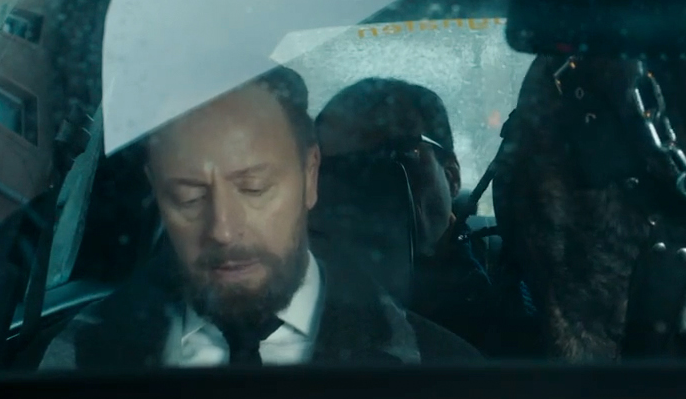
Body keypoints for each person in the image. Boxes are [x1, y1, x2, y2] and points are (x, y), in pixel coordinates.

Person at [43, 67, 478, 370]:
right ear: (155, 191)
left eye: (254, 188)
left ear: (311, 177)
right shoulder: (76, 357)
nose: (222, 229)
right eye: (187, 196)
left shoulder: (446, 373)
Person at [315, 77, 539, 356]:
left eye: (393, 156)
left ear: (451, 176)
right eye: (337, 170)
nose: (368, 184)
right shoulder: (298, 287)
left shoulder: (518, 276)